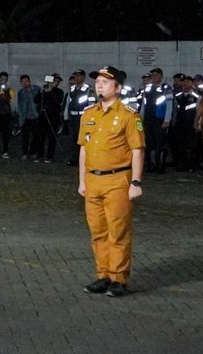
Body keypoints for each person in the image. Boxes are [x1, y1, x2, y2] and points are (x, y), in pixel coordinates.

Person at [77, 66, 144, 299]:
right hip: (93, 180)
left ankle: (118, 279)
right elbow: (83, 150)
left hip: (118, 179)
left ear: (118, 88)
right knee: (98, 231)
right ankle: (103, 275)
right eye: (98, 81)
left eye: (106, 81)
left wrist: (135, 182)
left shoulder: (128, 115)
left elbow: (137, 150)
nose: (99, 85)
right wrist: (81, 181)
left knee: (118, 232)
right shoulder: (88, 114)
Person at [138, 68, 174, 174]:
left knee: (161, 143)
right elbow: (143, 105)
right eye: (152, 75)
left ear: (161, 76)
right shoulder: (147, 89)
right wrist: (141, 118)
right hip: (149, 119)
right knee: (150, 143)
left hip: (160, 119)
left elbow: (169, 105)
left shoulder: (166, 88)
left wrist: (167, 120)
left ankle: (160, 165)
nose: (154, 77)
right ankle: (151, 164)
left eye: (156, 75)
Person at [63, 70, 93, 165]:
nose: (76, 78)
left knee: (83, 139)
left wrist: (90, 118)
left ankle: (83, 159)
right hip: (72, 116)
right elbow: (68, 103)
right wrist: (66, 117)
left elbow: (91, 104)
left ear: (83, 77)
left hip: (82, 117)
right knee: (73, 139)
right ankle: (74, 159)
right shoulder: (72, 89)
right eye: (75, 76)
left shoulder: (88, 89)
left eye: (78, 76)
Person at [37, 74, 64, 163]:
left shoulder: (59, 91)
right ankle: (40, 156)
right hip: (43, 116)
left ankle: (50, 156)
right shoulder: (43, 89)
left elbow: (58, 101)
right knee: (41, 136)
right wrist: (42, 92)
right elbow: (36, 100)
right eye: (55, 81)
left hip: (53, 117)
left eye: (58, 81)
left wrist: (50, 91)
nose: (56, 83)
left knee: (52, 137)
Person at [15, 75, 40, 160]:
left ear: (29, 81)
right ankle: (25, 152)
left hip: (36, 116)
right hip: (25, 117)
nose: (25, 83)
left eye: (26, 81)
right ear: (21, 82)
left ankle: (33, 152)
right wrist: (20, 118)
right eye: (23, 81)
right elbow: (19, 105)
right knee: (25, 136)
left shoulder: (36, 89)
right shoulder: (20, 93)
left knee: (35, 136)